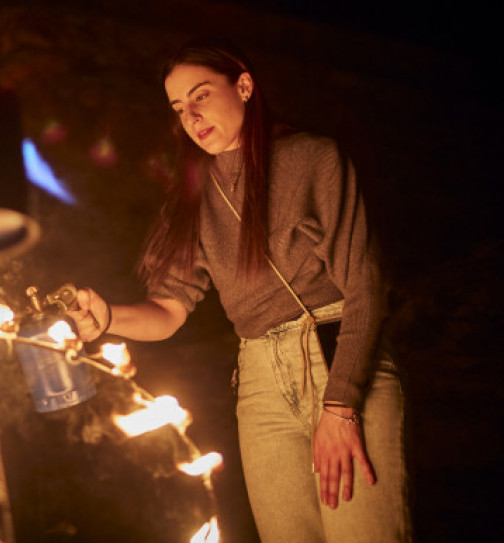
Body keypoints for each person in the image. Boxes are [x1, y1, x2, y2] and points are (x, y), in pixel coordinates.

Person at [67, 36, 411, 542]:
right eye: (179, 108)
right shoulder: (192, 196)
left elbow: (364, 284)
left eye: (201, 95)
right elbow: (169, 309)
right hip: (260, 385)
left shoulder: (312, 158)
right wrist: (108, 317)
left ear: (244, 86)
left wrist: (340, 406)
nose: (192, 116)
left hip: (338, 363)